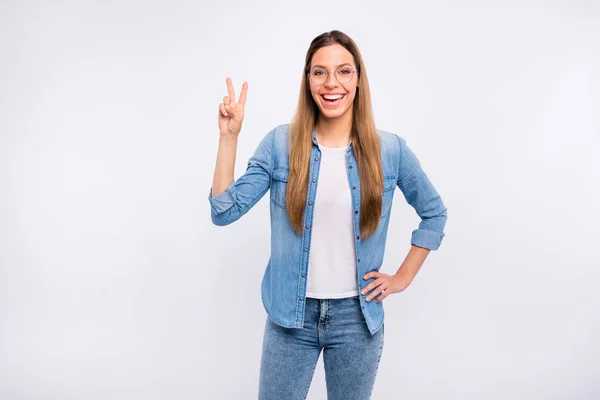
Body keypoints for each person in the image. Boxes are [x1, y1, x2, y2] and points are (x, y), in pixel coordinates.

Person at [209, 30, 447, 400]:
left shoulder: (390, 150)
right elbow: (224, 212)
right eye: (319, 72)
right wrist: (229, 138)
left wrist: (402, 277)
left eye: (343, 71)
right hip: (290, 318)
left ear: (358, 80)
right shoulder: (280, 144)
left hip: (357, 322)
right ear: (307, 81)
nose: (331, 82)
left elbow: (434, 214)